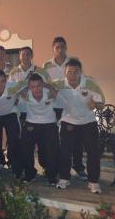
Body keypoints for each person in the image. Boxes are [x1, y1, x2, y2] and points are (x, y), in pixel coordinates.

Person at [54, 58, 105, 193]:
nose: (72, 75)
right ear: (65, 73)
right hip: (68, 121)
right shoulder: (59, 83)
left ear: (80, 72)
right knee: (65, 151)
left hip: (88, 121)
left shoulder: (90, 82)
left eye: (75, 72)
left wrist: (96, 105)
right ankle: (64, 178)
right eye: (69, 72)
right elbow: (45, 86)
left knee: (93, 152)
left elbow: (102, 103)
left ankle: (93, 181)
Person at [43, 37, 86, 179]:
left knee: (77, 138)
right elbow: (45, 85)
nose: (60, 50)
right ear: (53, 49)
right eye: (57, 47)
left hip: (72, 106)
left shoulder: (73, 62)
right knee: (55, 139)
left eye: (62, 46)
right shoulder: (47, 65)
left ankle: (78, 166)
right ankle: (54, 167)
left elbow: (81, 80)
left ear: (66, 47)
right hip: (55, 107)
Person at [0, 70, 27, 178]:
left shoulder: (14, 86)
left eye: (2, 81)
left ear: (6, 80)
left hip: (10, 114)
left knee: (15, 142)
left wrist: (22, 94)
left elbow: (28, 83)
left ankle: (17, 171)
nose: (0, 85)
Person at [20, 73, 59, 184]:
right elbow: (16, 93)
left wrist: (49, 86)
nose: (36, 89)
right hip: (31, 123)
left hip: (49, 123)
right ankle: (30, 174)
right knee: (25, 148)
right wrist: (25, 87)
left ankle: (51, 176)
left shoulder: (50, 93)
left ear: (43, 85)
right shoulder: (26, 94)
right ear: (29, 87)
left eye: (38, 86)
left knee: (52, 150)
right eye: (33, 86)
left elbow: (56, 90)